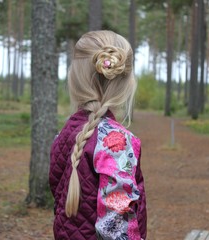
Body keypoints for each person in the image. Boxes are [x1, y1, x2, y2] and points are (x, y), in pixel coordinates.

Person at [49, 30, 147, 240]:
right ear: (127, 83)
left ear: (74, 78)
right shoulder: (116, 143)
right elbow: (118, 228)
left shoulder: (63, 135)